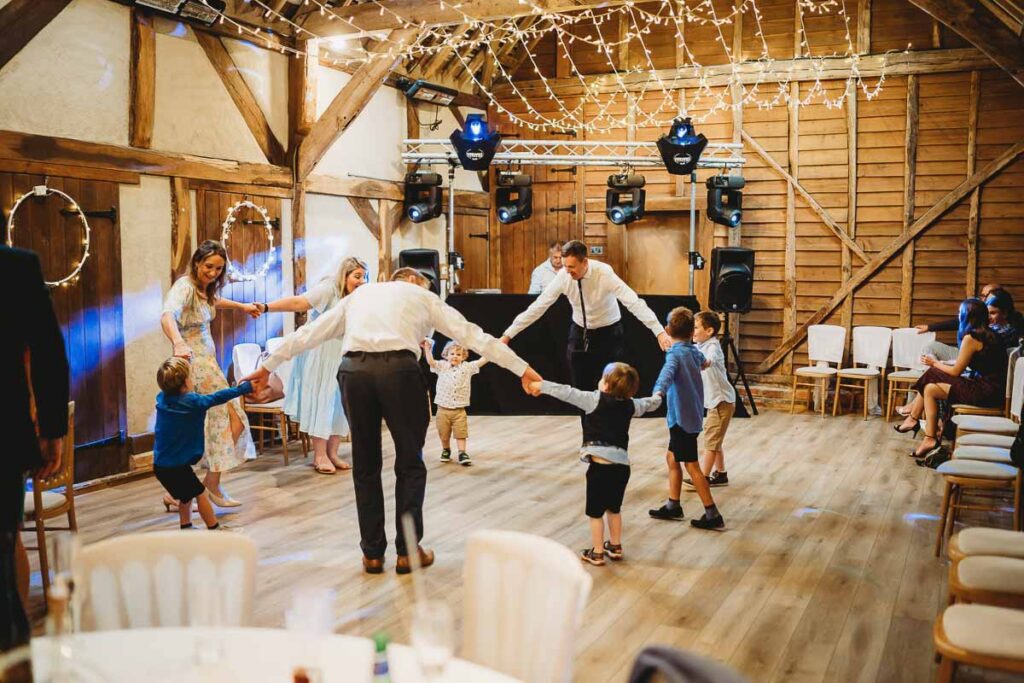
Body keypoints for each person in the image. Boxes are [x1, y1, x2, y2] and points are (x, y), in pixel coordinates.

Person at [244, 267, 542, 575]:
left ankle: (372, 553)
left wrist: (267, 366)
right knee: (410, 462)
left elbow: (311, 332)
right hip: (399, 372)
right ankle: (407, 551)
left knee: (365, 463)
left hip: (354, 371)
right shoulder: (423, 296)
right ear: (413, 280)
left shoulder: (360, 295)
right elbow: (472, 335)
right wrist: (522, 369)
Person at [1, 246, 68, 658]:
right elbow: (47, 349)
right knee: (6, 546)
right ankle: (13, 656)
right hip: (4, 433)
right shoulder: (15, 266)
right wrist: (51, 429)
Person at [160, 240, 260, 509]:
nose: (214, 272)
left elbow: (214, 300)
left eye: (219, 268)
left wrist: (242, 307)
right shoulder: (184, 287)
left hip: (209, 364)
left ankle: (188, 489)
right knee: (227, 419)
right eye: (209, 266)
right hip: (194, 365)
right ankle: (204, 486)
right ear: (196, 262)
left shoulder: (203, 290)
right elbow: (167, 315)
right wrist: (178, 343)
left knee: (218, 422)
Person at [530, 363, 661, 566]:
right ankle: (615, 546)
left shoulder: (593, 399)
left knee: (595, 513)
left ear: (606, 386)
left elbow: (567, 392)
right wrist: (659, 394)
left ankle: (597, 552)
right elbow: (650, 404)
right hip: (621, 468)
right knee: (614, 509)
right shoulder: (631, 404)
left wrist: (541, 385)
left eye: (602, 378)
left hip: (599, 469)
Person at [501, 240, 672, 391]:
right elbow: (539, 306)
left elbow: (633, 302)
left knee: (611, 385)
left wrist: (659, 331)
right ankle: (588, 427)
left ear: (585, 262)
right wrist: (508, 334)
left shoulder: (604, 273)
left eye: (572, 267)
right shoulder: (563, 276)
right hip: (579, 331)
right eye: (565, 266)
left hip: (609, 332)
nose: (567, 271)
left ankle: (609, 426)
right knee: (581, 386)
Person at [258, 257, 368, 474]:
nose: (362, 281)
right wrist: (266, 307)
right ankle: (320, 455)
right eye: (357, 276)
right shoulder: (329, 289)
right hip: (321, 354)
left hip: (344, 354)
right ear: (344, 275)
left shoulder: (357, 298)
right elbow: (300, 303)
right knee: (324, 401)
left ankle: (333, 452)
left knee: (341, 404)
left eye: (364, 277)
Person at [896, 298, 1008, 459]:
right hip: (991, 389)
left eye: (959, 313)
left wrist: (934, 363)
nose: (958, 316)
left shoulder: (972, 337)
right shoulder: (989, 333)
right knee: (930, 389)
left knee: (932, 373)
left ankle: (912, 418)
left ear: (967, 316)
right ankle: (929, 438)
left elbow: (956, 371)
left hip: (986, 392)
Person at [154, 357, 255, 530]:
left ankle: (186, 526)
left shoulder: (162, 399)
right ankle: (214, 527)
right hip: (176, 466)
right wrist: (242, 389)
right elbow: (218, 397)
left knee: (186, 497)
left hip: (161, 465)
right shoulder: (192, 402)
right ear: (186, 381)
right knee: (201, 493)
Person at [648, 307, 725, 531]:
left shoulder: (675, 354)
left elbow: (667, 374)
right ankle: (673, 505)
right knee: (672, 458)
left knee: (692, 466)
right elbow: (703, 362)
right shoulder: (692, 351)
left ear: (667, 330)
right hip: (690, 416)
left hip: (681, 419)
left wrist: (657, 393)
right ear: (692, 332)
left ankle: (712, 513)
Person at [684, 311, 736, 489]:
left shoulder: (713, 346)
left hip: (721, 402)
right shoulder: (698, 345)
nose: (693, 330)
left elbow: (710, 360)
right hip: (715, 402)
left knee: (711, 441)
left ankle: (703, 477)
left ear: (709, 331)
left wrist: (703, 363)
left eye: (696, 327)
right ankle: (721, 474)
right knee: (716, 439)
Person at [421, 339, 487, 466]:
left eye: (458, 354)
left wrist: (492, 351)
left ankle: (462, 452)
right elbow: (430, 361)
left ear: (463, 357)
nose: (455, 357)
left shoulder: (467, 367)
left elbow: (481, 361)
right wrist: (427, 349)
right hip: (442, 410)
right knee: (443, 434)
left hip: (459, 410)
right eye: (452, 354)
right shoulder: (442, 366)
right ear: (446, 355)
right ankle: (446, 449)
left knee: (461, 432)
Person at [914, 282, 1001, 361]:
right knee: (930, 347)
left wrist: (935, 364)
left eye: (987, 296)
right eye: (982, 296)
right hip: (969, 353)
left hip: (977, 360)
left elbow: (956, 371)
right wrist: (930, 327)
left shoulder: (994, 328)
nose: (984, 299)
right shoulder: (980, 311)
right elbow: (958, 322)